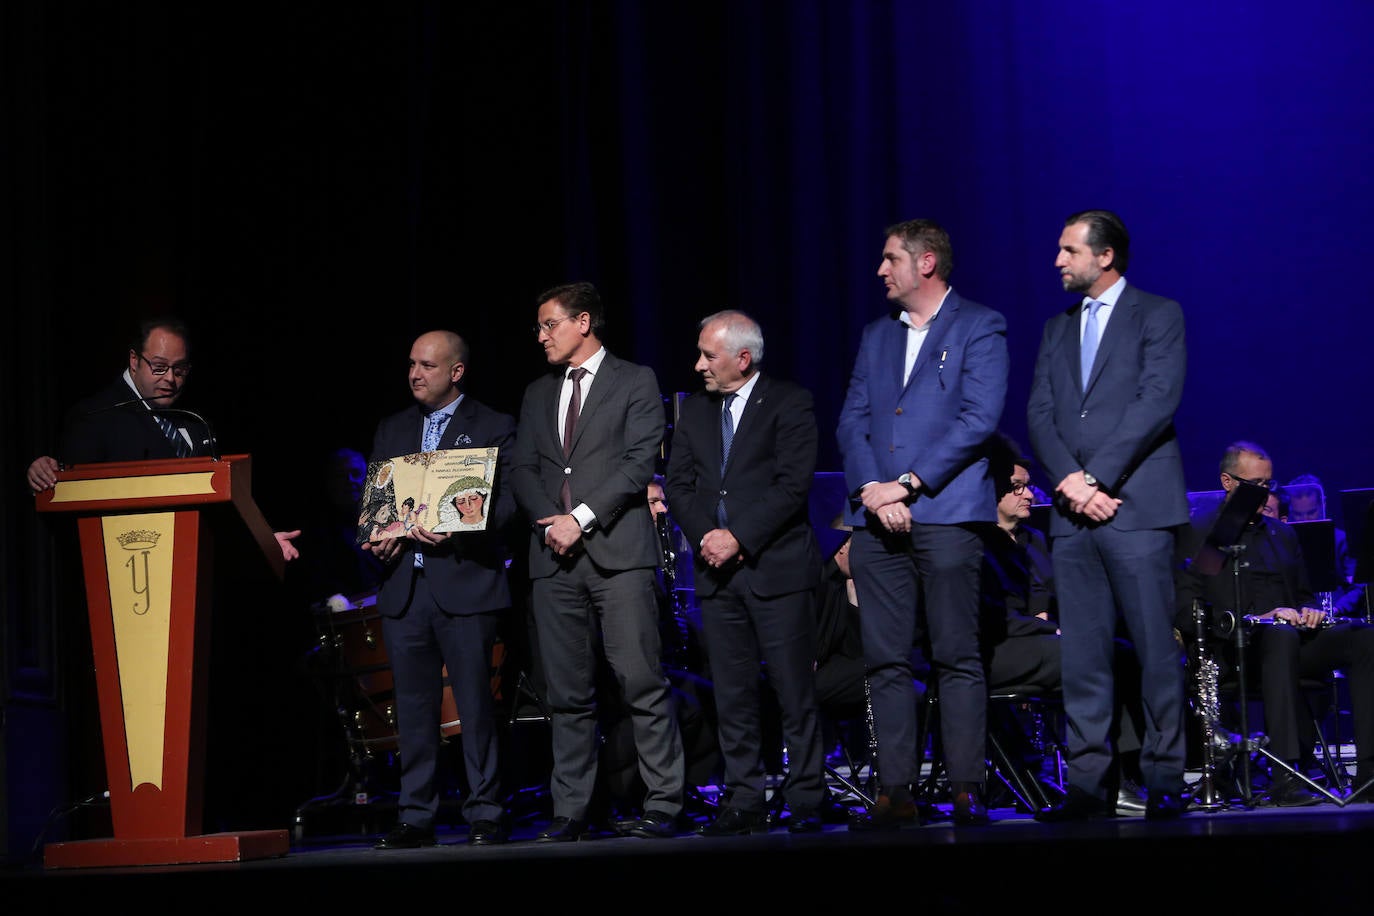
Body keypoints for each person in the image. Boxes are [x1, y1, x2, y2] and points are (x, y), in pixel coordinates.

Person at [836, 218, 1009, 828]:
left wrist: (907, 484)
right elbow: (851, 420)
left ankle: (966, 786)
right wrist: (871, 492)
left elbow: (978, 419)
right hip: (875, 520)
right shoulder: (876, 336)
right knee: (884, 659)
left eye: (890, 259)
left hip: (948, 514)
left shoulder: (980, 325)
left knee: (957, 655)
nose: (881, 270)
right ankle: (895, 790)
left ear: (926, 263)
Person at [1026, 208, 1190, 821]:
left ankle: (1165, 778)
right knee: (1084, 656)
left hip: (1136, 509)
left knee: (1153, 651)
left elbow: (1156, 401)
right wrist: (1070, 482)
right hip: (1074, 516)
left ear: (1105, 257)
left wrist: (1095, 478)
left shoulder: (1159, 314)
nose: (1058, 260)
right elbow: (1039, 412)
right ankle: (1089, 785)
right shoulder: (1056, 328)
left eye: (1069, 250)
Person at [509, 281, 686, 840]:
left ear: (583, 322)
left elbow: (637, 465)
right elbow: (523, 470)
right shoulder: (538, 392)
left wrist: (578, 519)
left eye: (549, 324)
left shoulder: (635, 380)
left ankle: (663, 803)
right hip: (553, 561)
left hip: (617, 556)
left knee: (640, 680)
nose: (540, 336)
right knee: (566, 694)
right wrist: (550, 522)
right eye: (539, 327)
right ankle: (572, 811)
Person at [664, 309, 830, 834]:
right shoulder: (694, 413)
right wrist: (708, 540)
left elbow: (791, 484)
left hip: (775, 570)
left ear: (743, 357)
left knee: (792, 691)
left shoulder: (789, 401)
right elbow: (679, 485)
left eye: (708, 356)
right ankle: (743, 799)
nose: (698, 366)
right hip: (718, 575)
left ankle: (807, 797)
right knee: (733, 693)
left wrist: (738, 536)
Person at [363, 330, 516, 848]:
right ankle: (415, 815)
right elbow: (378, 503)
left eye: (427, 365)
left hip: (464, 583)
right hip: (407, 587)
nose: (415, 374)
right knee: (414, 709)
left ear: (456, 372)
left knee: (475, 706)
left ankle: (486, 811)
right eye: (411, 364)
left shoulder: (493, 425)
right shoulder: (393, 428)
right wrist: (379, 539)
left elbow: (510, 505)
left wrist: (465, 523)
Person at [1175, 441, 1374, 805]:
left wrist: (1309, 610)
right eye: (1256, 484)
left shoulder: (1282, 534)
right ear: (1227, 482)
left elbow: (1303, 596)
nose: (1265, 494)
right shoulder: (1203, 533)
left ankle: (1369, 775)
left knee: (1365, 638)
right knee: (1279, 637)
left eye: (1268, 484)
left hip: (1292, 641)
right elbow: (1188, 609)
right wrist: (1256, 619)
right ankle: (1286, 776)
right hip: (1238, 649)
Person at [25, 316, 301, 560]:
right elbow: (67, 500)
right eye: (159, 367)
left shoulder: (195, 421)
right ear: (134, 360)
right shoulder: (96, 416)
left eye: (179, 370)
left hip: (192, 571)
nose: (170, 378)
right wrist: (44, 472)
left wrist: (262, 539)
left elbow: (222, 502)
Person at [979, 433, 1147, 815]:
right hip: (1000, 646)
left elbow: (1051, 596)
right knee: (1092, 656)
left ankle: (1130, 768)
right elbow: (996, 616)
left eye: (1028, 486)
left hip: (1037, 638)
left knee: (1120, 648)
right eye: (1017, 488)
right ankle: (1107, 782)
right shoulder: (980, 542)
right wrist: (1049, 628)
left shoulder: (1034, 540)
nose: (1027, 494)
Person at [1284, 473, 1364, 617]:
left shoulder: (1340, 540)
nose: (1305, 520)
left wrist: (1336, 610)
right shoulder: (1285, 542)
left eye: (1311, 512)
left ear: (1323, 505)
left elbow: (1358, 587)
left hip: (1337, 617)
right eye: (1298, 514)